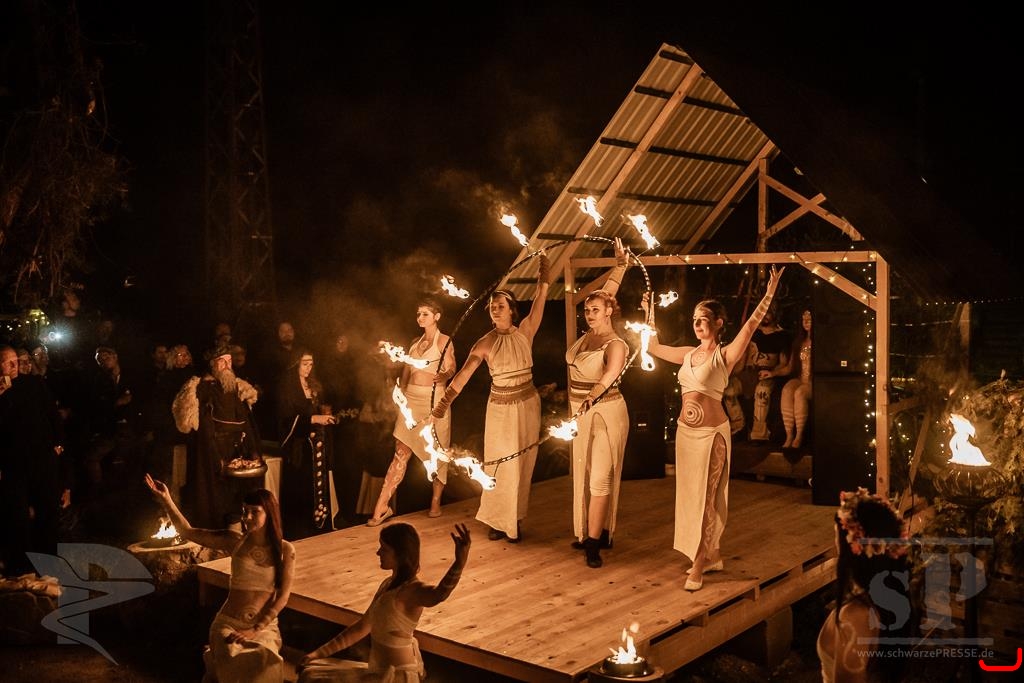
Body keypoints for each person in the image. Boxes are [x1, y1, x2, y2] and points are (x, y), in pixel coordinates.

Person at [642, 265, 784, 590]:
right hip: (685, 435)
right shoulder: (687, 354)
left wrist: (769, 292)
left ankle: (699, 563)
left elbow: (751, 325)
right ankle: (714, 554)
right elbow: (653, 346)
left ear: (718, 323)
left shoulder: (725, 355)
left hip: (712, 435)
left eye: (703, 319)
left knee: (706, 497)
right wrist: (649, 310)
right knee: (690, 496)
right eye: (694, 319)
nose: (697, 324)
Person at [429, 253, 551, 542]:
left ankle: (514, 519)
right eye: (492, 307)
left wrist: (544, 273)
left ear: (512, 310)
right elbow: (463, 375)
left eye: (501, 306)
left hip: (528, 404)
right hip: (500, 410)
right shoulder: (485, 343)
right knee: (500, 464)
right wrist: (443, 404)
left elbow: (540, 298)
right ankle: (498, 521)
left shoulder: (526, 331)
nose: (495, 310)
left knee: (523, 464)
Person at [144, 474, 294, 683]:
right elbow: (187, 532)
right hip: (229, 624)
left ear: (269, 513)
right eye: (245, 511)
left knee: (262, 659)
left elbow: (283, 597)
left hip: (264, 627)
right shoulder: (234, 541)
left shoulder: (285, 550)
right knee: (232, 655)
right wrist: (166, 499)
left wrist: (256, 629)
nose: (247, 517)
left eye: (255, 512)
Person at [298, 522, 471, 683]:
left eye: (384, 549)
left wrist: (459, 564)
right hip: (378, 673)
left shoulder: (411, 590)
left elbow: (439, 594)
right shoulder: (387, 584)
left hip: (397, 678)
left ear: (401, 554)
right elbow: (362, 627)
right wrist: (318, 654)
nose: (378, 552)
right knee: (310, 673)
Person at [565, 240, 630, 569]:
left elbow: (610, 374)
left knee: (600, 478)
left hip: (605, 413)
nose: (589, 313)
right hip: (579, 412)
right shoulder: (587, 336)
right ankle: (593, 531)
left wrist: (592, 395)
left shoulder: (615, 343)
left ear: (609, 311)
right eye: (587, 310)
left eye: (595, 309)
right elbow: (607, 293)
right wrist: (619, 267)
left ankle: (593, 544)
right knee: (586, 471)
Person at [367, 298, 456, 526]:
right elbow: (407, 370)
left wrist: (445, 375)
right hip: (412, 401)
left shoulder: (445, 341)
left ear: (436, 316)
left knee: (438, 452)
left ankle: (435, 502)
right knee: (400, 452)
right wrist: (402, 395)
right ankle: (382, 507)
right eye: (418, 314)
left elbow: (451, 367)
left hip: (434, 402)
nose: (420, 318)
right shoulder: (415, 343)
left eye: (425, 314)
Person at [817, 487, 910, 683]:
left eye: (837, 535)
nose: (835, 542)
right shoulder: (894, 600)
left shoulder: (854, 618)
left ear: (854, 547)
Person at [172, 344, 262, 528]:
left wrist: (252, 450)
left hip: (237, 450)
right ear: (213, 364)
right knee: (215, 498)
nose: (228, 365)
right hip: (214, 450)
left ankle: (238, 529)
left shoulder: (236, 387)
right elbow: (205, 427)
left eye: (229, 361)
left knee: (237, 497)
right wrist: (216, 458)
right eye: (222, 361)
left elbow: (245, 421)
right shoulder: (203, 389)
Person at [0, 345, 66, 576]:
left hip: (42, 457)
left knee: (47, 510)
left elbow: (52, 414)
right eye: (6, 361)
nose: (13, 365)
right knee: (16, 514)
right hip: (12, 462)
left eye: (15, 360)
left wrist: (59, 443)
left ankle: (48, 562)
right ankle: (21, 564)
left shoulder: (33, 384)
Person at [277, 350, 338, 538]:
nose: (308, 368)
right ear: (295, 365)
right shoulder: (287, 388)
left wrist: (325, 416)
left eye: (311, 364)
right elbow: (286, 420)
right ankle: (301, 530)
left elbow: (318, 410)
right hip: (300, 450)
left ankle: (320, 526)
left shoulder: (313, 386)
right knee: (303, 488)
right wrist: (314, 418)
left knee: (320, 485)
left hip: (317, 445)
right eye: (304, 364)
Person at [747, 303, 791, 442]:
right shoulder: (752, 331)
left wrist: (771, 373)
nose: (765, 316)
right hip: (749, 372)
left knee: (762, 391)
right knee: (729, 389)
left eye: (769, 313)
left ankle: (759, 434)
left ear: (775, 314)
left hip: (768, 373)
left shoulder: (781, 335)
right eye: (763, 312)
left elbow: (783, 363)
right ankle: (738, 426)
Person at [774, 309, 813, 449]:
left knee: (800, 393)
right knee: (787, 389)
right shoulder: (799, 342)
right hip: (800, 378)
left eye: (809, 319)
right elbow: (790, 368)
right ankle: (789, 434)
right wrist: (772, 373)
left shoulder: (821, 342)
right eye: (804, 319)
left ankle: (799, 435)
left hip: (813, 381)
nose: (806, 322)